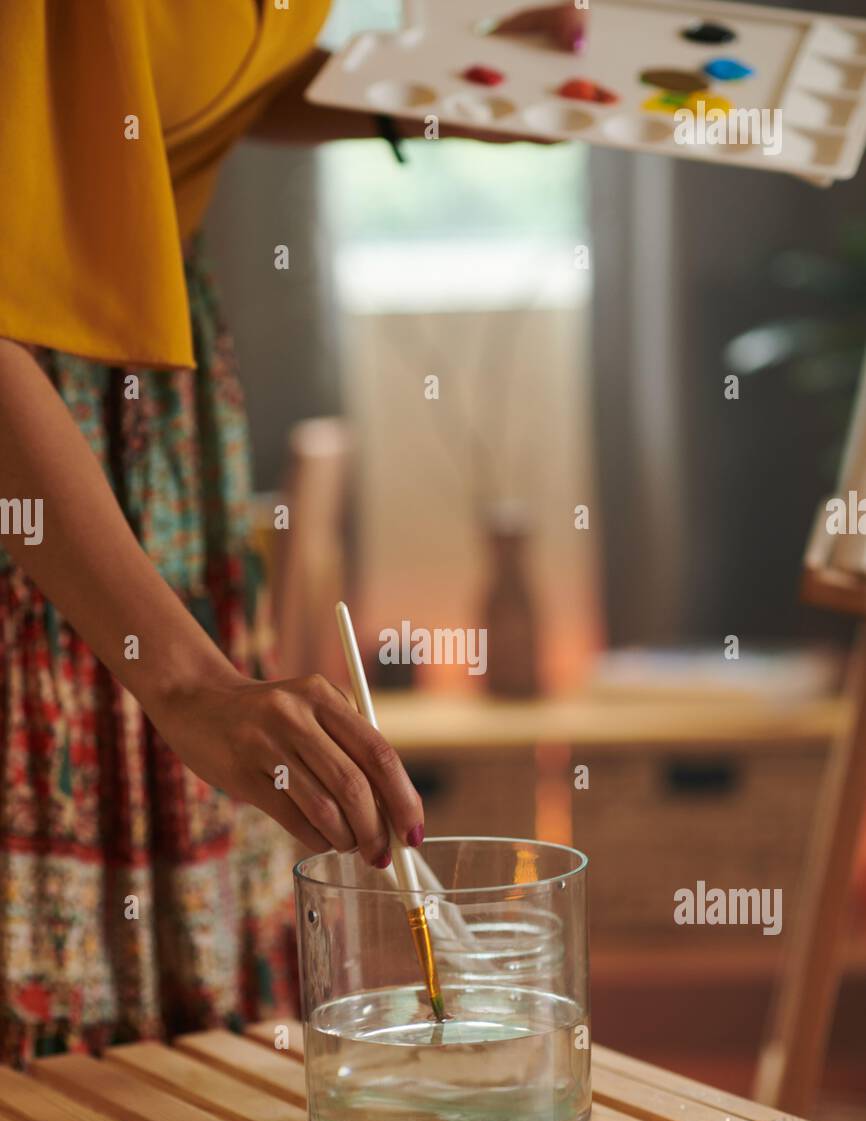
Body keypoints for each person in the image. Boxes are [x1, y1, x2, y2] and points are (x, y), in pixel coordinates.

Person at [0, 1, 586, 1064]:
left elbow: (166, 79)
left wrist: (436, 93)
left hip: (149, 405)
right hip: (31, 444)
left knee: (153, 972)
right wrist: (185, 681)